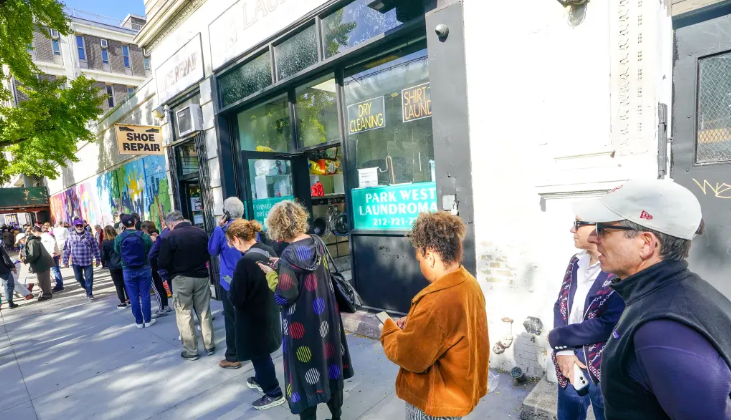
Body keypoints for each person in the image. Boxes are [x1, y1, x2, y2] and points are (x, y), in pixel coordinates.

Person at [578, 179, 731, 419]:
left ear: (646, 244)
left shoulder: (664, 329)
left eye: (604, 230)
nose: (593, 238)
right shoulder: (668, 295)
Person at [379, 212, 488, 420]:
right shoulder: (469, 283)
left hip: (434, 403)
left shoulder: (436, 301)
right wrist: (413, 324)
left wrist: (389, 329)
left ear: (430, 257)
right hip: (458, 393)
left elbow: (410, 356)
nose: (419, 264)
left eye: (419, 258)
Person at [258, 200, 353, 420]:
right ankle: (336, 415)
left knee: (303, 373)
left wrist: (270, 274)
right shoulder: (317, 242)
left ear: (278, 226)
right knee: (329, 364)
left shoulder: (289, 254)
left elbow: (284, 295)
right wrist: (281, 264)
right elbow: (311, 269)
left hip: (301, 325)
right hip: (326, 319)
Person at [548, 209, 626, 420]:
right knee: (568, 415)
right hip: (568, 355)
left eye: (578, 223)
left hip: (602, 363)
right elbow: (561, 304)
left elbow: (609, 324)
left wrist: (560, 338)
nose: (572, 229)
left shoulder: (619, 267)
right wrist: (563, 350)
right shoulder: (576, 261)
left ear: (600, 228)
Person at [224, 219, 284, 408]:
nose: (231, 246)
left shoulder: (245, 262)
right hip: (269, 309)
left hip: (253, 316)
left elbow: (237, 298)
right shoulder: (267, 249)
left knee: (259, 354)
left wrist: (232, 284)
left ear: (236, 238)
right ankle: (261, 379)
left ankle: (273, 392)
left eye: (231, 242)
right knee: (261, 352)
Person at [158, 211, 214, 360]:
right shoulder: (200, 232)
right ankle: (209, 345)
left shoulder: (169, 236)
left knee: (184, 314)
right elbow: (207, 253)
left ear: (170, 224)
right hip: (201, 275)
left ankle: (191, 350)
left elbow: (162, 262)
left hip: (181, 277)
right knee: (204, 311)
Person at [208, 197, 247, 369]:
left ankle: (233, 356)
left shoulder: (222, 230)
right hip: (249, 279)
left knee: (231, 319)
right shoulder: (250, 227)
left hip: (229, 281)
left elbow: (212, 250)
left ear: (225, 213)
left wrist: (217, 228)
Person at [115, 214, 156, 329]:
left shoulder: (119, 238)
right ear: (134, 222)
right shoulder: (144, 236)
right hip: (144, 267)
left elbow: (117, 251)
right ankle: (147, 320)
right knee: (145, 295)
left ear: (123, 224)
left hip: (128, 269)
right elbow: (150, 248)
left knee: (133, 297)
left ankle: (139, 321)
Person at [63, 218, 101, 300]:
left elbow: (95, 247)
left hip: (88, 261)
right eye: (77, 225)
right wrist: (65, 260)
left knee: (89, 278)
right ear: (74, 226)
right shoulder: (70, 235)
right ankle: (87, 289)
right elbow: (67, 249)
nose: (79, 227)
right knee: (78, 278)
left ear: (83, 226)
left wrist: (98, 258)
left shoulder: (89, 235)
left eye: (81, 225)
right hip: (76, 262)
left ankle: (89, 293)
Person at [141, 221, 171, 318]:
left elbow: (150, 254)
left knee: (157, 287)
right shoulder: (158, 235)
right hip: (160, 263)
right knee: (160, 286)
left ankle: (161, 308)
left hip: (153, 265)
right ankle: (165, 305)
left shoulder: (149, 238)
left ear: (146, 229)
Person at [22, 227, 54, 301]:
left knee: (43, 280)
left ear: (23, 239)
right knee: (42, 279)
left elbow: (34, 254)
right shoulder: (32, 241)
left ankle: (46, 294)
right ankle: (44, 293)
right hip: (41, 263)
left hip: (42, 263)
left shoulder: (32, 242)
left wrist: (26, 260)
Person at [101, 225, 128, 308]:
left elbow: (103, 256)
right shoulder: (119, 239)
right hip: (123, 263)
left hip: (113, 265)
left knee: (118, 284)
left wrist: (105, 262)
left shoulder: (104, 243)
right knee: (126, 283)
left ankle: (122, 302)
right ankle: (130, 298)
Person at [40, 226, 64, 292]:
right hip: (51, 254)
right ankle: (59, 284)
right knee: (55, 270)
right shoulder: (43, 236)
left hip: (53, 255)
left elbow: (53, 241)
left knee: (55, 270)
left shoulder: (45, 235)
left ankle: (59, 285)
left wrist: (52, 251)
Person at [0, 243, 19, 308]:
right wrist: (12, 266)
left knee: (7, 284)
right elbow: (5, 257)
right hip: (2, 269)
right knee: (8, 284)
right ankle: (10, 302)